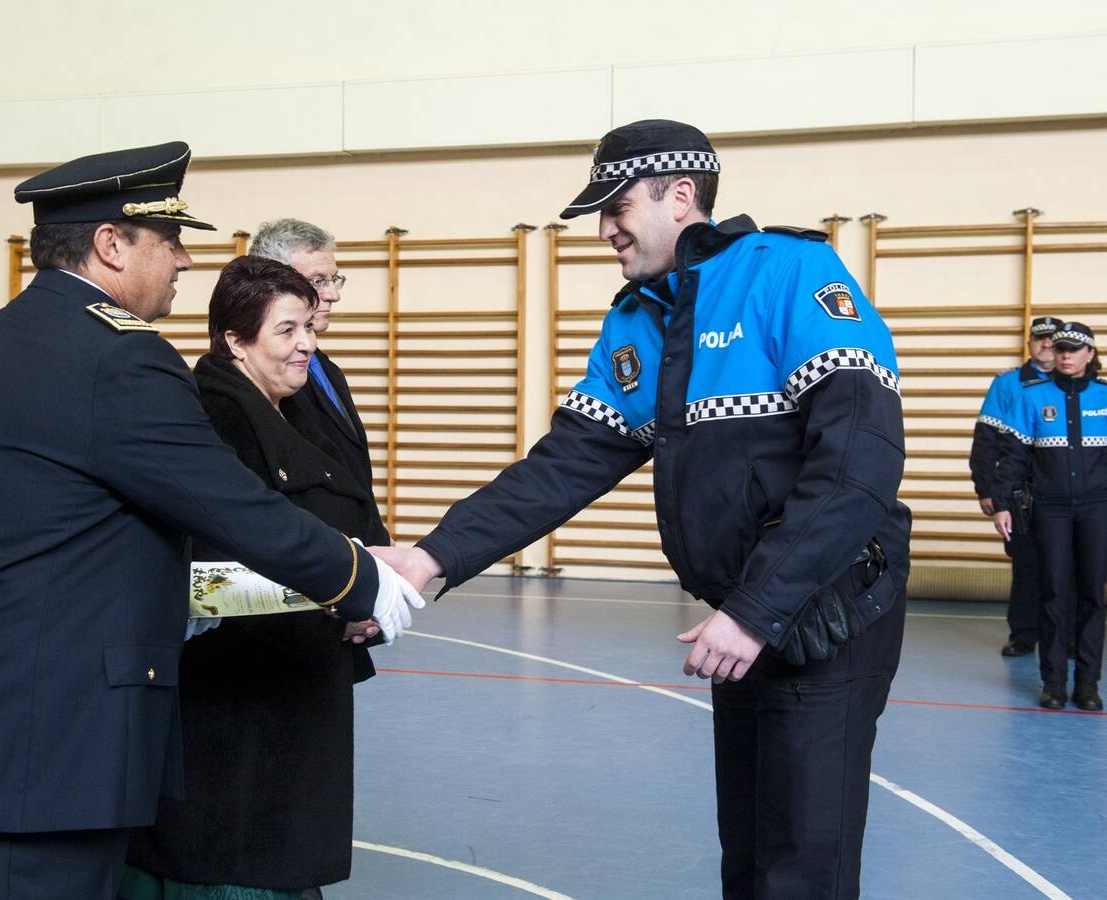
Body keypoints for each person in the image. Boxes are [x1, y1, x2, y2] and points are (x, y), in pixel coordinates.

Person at [371, 119, 911, 899]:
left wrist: (759, 608)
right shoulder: (638, 318)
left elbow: (860, 463)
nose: (604, 230)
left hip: (826, 608)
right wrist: (432, 557)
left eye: (616, 206)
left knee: (802, 861)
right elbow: (563, 467)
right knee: (752, 852)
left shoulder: (790, 271)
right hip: (743, 618)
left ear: (680, 195)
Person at [0, 142, 423, 900]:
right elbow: (228, 501)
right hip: (50, 743)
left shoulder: (9, 339)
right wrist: (360, 577)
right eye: (169, 242)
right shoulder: (116, 358)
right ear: (110, 244)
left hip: (13, 724)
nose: (185, 263)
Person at [124, 256, 386, 900]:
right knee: (234, 862)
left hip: (290, 689)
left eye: (310, 328)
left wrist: (366, 586)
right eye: (287, 330)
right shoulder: (218, 419)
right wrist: (340, 596)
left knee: (274, 856)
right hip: (239, 700)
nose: (307, 345)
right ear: (235, 342)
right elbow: (211, 572)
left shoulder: (288, 406)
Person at [992, 322, 1106, 711]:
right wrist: (1003, 502)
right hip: (1051, 510)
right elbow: (1014, 457)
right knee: (1053, 593)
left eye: (1075, 349)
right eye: (1060, 349)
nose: (1066, 355)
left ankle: (1088, 685)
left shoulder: (1105, 397)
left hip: (1097, 509)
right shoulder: (1031, 397)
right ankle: (1054, 684)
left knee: (1092, 594)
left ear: (1090, 354)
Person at [251, 219, 385, 529]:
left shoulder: (325, 368)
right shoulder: (262, 376)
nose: (332, 294)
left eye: (333, 279)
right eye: (317, 281)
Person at [970, 316, 1060, 657]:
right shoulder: (1007, 384)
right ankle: (1023, 635)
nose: (1047, 345)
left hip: (1066, 492)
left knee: (1068, 568)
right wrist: (986, 489)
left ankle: (1065, 638)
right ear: (1030, 344)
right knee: (1025, 567)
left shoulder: (1077, 385)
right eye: (1040, 339)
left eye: (1053, 340)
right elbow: (986, 441)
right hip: (1022, 492)